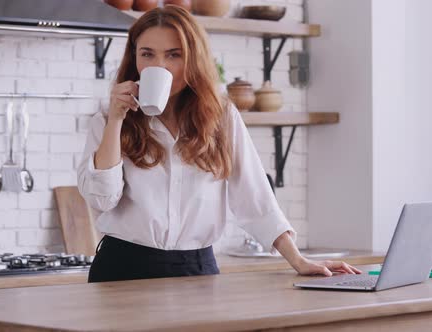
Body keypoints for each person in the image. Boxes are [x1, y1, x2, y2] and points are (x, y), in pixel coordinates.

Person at [77, 5, 362, 283]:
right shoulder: (107, 120)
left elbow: (255, 198)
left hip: (197, 270)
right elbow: (102, 199)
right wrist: (116, 120)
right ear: (134, 58)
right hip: (123, 270)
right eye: (147, 54)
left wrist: (299, 260)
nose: (159, 66)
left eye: (174, 55)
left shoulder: (221, 118)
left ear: (193, 59)